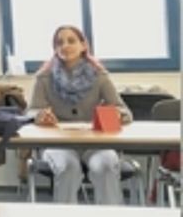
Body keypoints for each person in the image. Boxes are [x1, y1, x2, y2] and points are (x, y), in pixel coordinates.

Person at [28, 25, 132, 205]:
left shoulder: (99, 75)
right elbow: (31, 111)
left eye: (71, 41)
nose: (65, 46)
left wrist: (116, 115)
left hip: (95, 143)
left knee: (106, 166)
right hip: (58, 144)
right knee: (68, 168)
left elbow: (124, 111)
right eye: (59, 42)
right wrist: (40, 117)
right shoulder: (43, 77)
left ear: (84, 45)